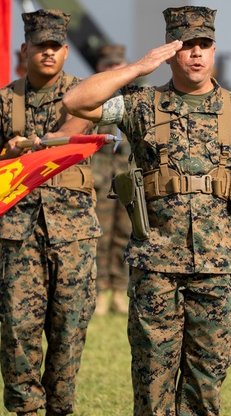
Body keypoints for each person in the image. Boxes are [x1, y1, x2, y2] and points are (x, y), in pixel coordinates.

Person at [63, 6, 231, 416]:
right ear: (171, 52)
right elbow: (75, 100)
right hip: (156, 267)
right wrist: (138, 67)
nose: (196, 54)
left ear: (214, 50)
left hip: (218, 268)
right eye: (186, 45)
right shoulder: (141, 105)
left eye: (204, 45)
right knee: (152, 383)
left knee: (206, 384)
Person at [0, 9, 100, 416]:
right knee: (18, 329)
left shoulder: (86, 96)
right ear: (24, 49)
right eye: (39, 46)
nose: (47, 53)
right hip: (20, 232)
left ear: (65, 50)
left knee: (69, 329)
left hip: (74, 234)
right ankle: (26, 410)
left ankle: (60, 408)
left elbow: (83, 127)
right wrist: (6, 156)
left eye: (55, 46)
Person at [90, 43, 133, 316]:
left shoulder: (136, 99)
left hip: (127, 175)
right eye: (108, 65)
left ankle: (120, 289)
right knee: (100, 235)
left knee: (125, 235)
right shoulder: (91, 98)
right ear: (99, 67)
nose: (113, 70)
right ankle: (100, 291)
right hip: (100, 175)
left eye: (118, 65)